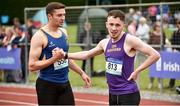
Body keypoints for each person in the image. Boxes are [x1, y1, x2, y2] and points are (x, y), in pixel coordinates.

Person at [59, 10, 160, 105]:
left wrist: (137, 71)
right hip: (112, 94)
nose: (114, 28)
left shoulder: (130, 40)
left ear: (123, 26)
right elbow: (87, 54)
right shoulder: (104, 43)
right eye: (111, 24)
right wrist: (66, 55)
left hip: (128, 94)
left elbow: (155, 55)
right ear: (107, 24)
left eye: (117, 25)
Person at [28, 2, 91, 105]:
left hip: (65, 83)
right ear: (50, 16)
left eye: (64, 14)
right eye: (59, 15)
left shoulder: (64, 32)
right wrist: (54, 59)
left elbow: (65, 58)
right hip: (47, 85)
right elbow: (31, 66)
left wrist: (82, 73)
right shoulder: (39, 36)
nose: (63, 18)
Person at [148, 21, 166, 89]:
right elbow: (149, 43)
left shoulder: (163, 34)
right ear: (155, 27)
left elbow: (163, 43)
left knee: (159, 69)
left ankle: (159, 83)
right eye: (157, 26)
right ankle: (151, 83)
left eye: (160, 26)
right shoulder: (152, 34)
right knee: (152, 69)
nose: (159, 28)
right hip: (152, 54)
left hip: (160, 54)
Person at [169, 19, 180, 89]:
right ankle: (171, 85)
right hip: (175, 54)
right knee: (173, 69)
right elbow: (172, 42)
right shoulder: (175, 32)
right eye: (179, 24)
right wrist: (174, 49)